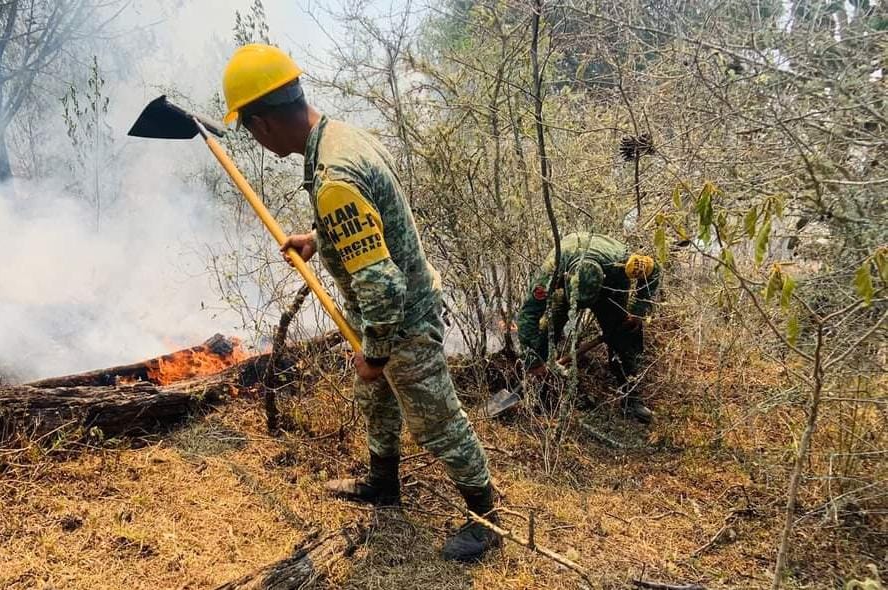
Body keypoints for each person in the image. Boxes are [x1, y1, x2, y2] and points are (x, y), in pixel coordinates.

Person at [221, 44, 499, 562]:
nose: (255, 140)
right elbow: (371, 225)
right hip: (389, 311)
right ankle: (382, 484)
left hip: (401, 317)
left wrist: (374, 354)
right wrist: (318, 239)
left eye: (249, 130)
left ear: (261, 123)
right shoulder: (340, 137)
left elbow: (384, 285)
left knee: (436, 418)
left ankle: (486, 520)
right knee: (377, 401)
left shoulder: (334, 179)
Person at [516, 232, 660, 423]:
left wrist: (638, 310)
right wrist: (533, 360)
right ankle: (541, 394)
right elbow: (528, 314)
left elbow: (654, 270)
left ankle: (631, 400)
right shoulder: (551, 272)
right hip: (565, 289)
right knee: (546, 330)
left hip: (609, 289)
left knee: (623, 336)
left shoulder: (622, 262)